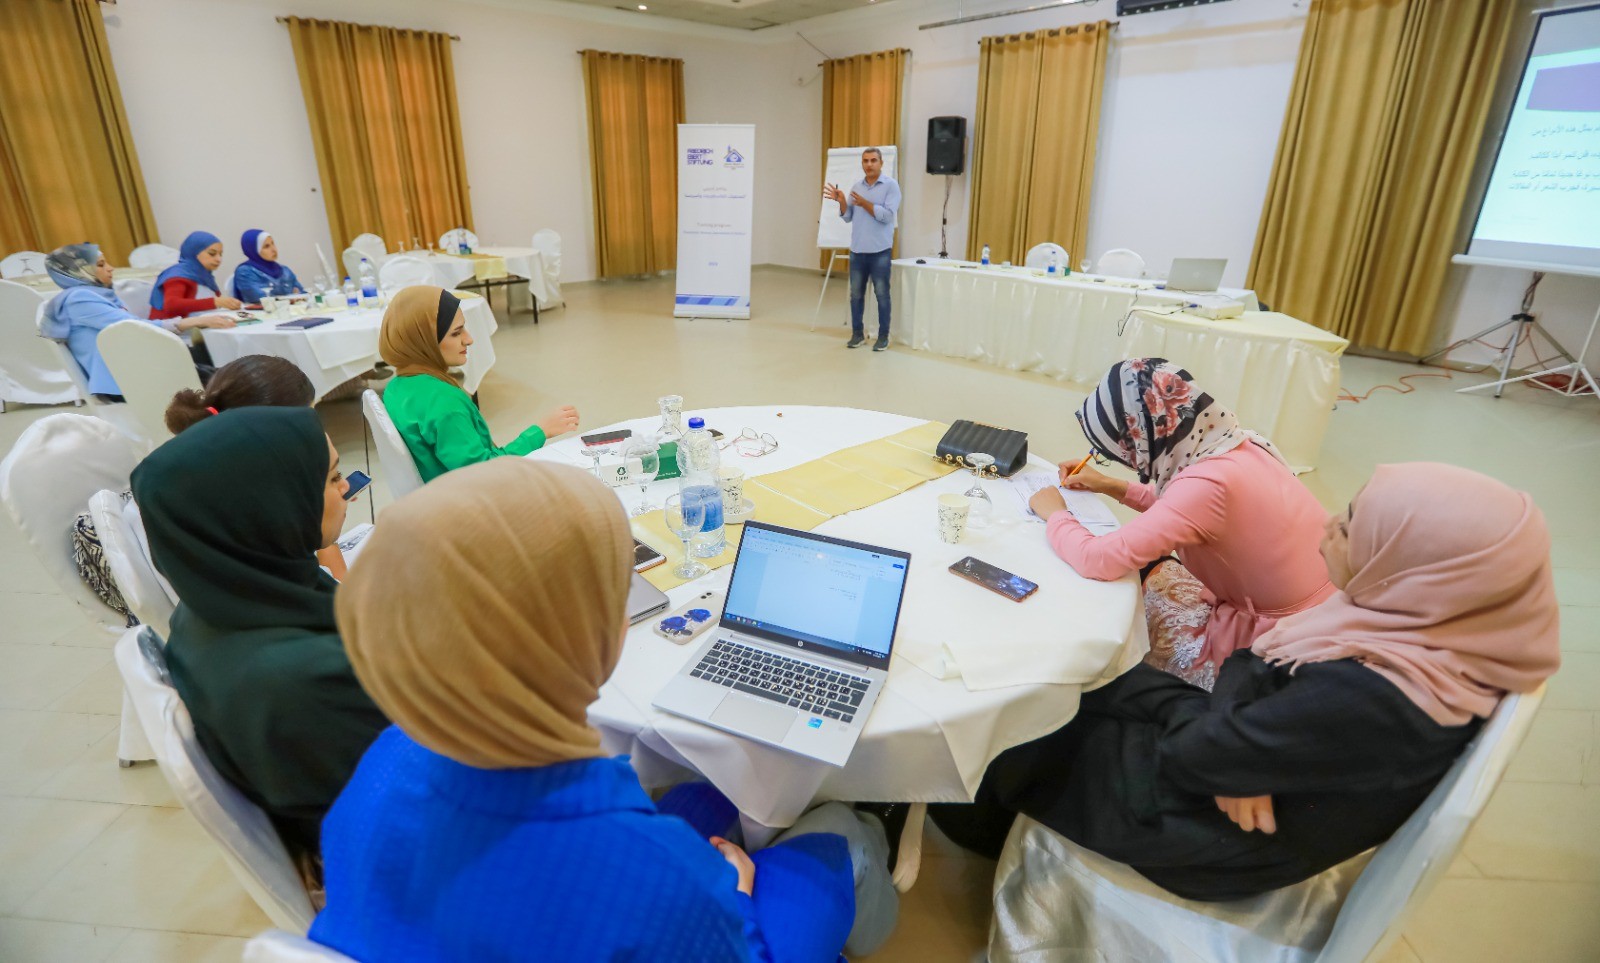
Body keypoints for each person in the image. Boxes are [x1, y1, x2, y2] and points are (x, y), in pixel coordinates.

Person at [309, 459, 899, 961]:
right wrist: (738, 895)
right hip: (671, 918)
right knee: (843, 828)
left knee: (712, 791)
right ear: (583, 636)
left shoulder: (383, 759)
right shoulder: (650, 876)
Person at [933, 462, 1561, 901]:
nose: (1326, 526)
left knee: (1027, 727)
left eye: (1350, 528)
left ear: (1416, 567)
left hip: (1216, 840)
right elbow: (1250, 665)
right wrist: (1242, 751)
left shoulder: (1377, 694)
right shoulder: (1423, 634)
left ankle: (972, 821)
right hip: (1248, 777)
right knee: (1091, 681)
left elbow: (1199, 746)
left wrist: (1230, 751)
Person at [131, 407, 388, 865]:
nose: (346, 488)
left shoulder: (223, 601)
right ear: (268, 506)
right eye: (332, 478)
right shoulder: (300, 681)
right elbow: (421, 796)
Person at [1029, 359, 1333, 689]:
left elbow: (1097, 559)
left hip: (1275, 647)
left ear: (1141, 438)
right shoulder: (1234, 444)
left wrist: (1055, 514)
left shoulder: (1206, 486)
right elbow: (1181, 507)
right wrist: (1108, 485)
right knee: (1148, 574)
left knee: (1113, 629)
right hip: (1324, 613)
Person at [164, 354, 359, 580]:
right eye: (309, 421)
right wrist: (322, 514)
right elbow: (338, 585)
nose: (315, 431)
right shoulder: (262, 518)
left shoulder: (205, 479)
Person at [379, 285, 579, 483]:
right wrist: (541, 431)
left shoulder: (396, 387)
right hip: (467, 495)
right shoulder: (443, 403)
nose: (469, 339)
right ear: (424, 341)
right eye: (456, 333)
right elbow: (485, 474)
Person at [39, 243, 233, 401]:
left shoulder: (97, 293)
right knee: (225, 383)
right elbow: (133, 327)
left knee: (223, 376)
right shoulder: (79, 299)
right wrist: (192, 322)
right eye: (101, 265)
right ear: (78, 271)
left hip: (135, 370)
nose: (110, 268)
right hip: (123, 381)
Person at [823, 147, 900, 352]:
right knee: (856, 295)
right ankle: (857, 334)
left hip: (880, 251)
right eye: (865, 161)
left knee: (882, 295)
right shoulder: (857, 186)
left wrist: (865, 203)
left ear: (881, 163)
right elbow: (848, 216)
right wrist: (842, 202)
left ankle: (883, 336)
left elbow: (887, 216)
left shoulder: (891, 186)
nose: (869, 164)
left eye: (873, 160)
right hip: (857, 251)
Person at [149, 230, 243, 320]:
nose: (219, 259)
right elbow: (172, 305)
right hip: (173, 329)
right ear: (194, 252)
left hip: (200, 325)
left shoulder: (204, 275)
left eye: (220, 254)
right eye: (212, 254)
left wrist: (227, 303)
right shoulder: (177, 275)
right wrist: (215, 302)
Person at [231, 229, 305, 304]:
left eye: (273, 243)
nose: (273, 249)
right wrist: (290, 298)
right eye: (266, 246)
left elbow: (302, 293)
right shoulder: (245, 272)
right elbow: (258, 299)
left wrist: (297, 296)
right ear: (253, 250)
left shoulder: (285, 271)